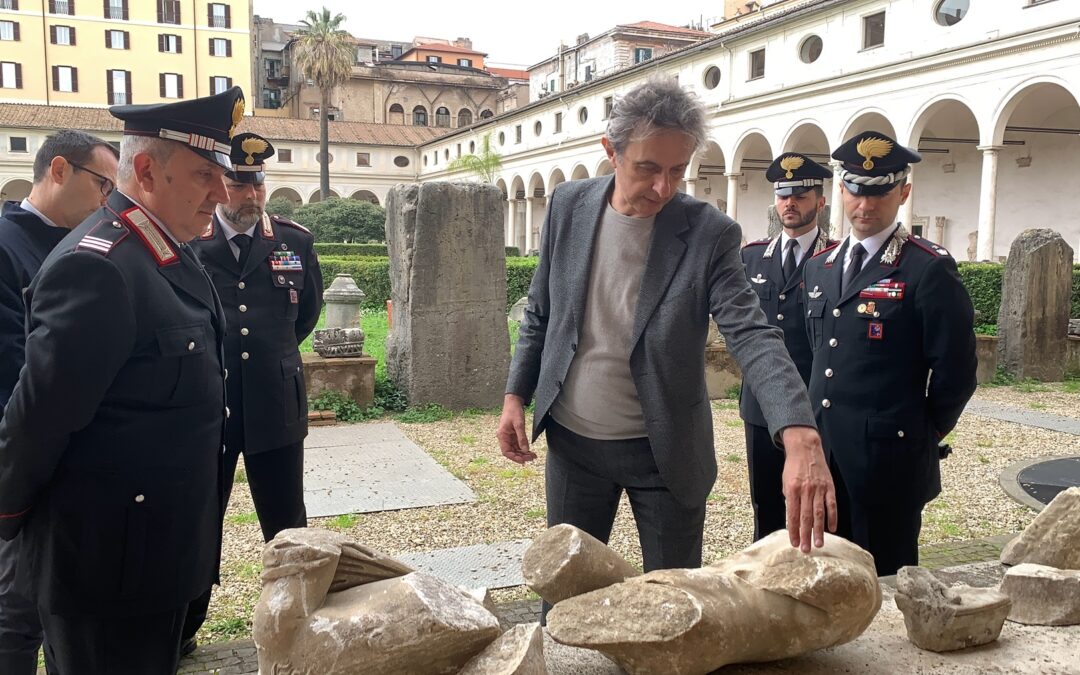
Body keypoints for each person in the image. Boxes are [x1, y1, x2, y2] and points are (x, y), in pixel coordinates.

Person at [496, 78, 837, 602]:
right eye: (648, 168)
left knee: (677, 603)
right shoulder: (568, 204)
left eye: (677, 170)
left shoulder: (709, 232)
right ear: (610, 152)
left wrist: (798, 431)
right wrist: (516, 396)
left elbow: (751, 331)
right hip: (573, 442)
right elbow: (542, 308)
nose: (663, 187)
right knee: (565, 599)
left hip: (666, 453)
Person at [0, 86, 243, 674]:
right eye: (204, 173)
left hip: (155, 555)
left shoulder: (166, 250)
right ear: (145, 171)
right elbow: (40, 418)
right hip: (105, 565)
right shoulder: (100, 265)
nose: (221, 191)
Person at [802, 130, 977, 576]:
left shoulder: (927, 267)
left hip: (888, 462)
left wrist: (918, 435)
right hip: (823, 454)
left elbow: (956, 372)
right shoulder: (819, 266)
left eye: (879, 193)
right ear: (841, 190)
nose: (865, 205)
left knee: (885, 582)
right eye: (856, 192)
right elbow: (818, 352)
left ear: (903, 191)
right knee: (826, 575)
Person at [183, 132, 322, 650]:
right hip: (208, 406)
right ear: (221, 185)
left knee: (288, 522)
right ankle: (185, 625)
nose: (252, 195)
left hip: (275, 400)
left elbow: (303, 316)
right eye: (241, 184)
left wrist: (271, 357)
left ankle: (301, 624)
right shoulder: (189, 239)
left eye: (258, 184)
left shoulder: (294, 240)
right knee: (200, 519)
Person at [0, 130, 118, 675]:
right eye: (102, 185)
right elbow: (15, 368)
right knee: (17, 609)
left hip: (84, 461)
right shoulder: (7, 245)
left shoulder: (92, 244)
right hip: (30, 455)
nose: (106, 201)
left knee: (72, 610)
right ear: (60, 171)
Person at [740, 153, 835, 541]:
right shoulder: (751, 258)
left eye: (800, 195)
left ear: (820, 201)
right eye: (783, 195)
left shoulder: (835, 259)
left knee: (816, 508)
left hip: (815, 405)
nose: (789, 204)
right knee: (765, 505)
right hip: (760, 405)